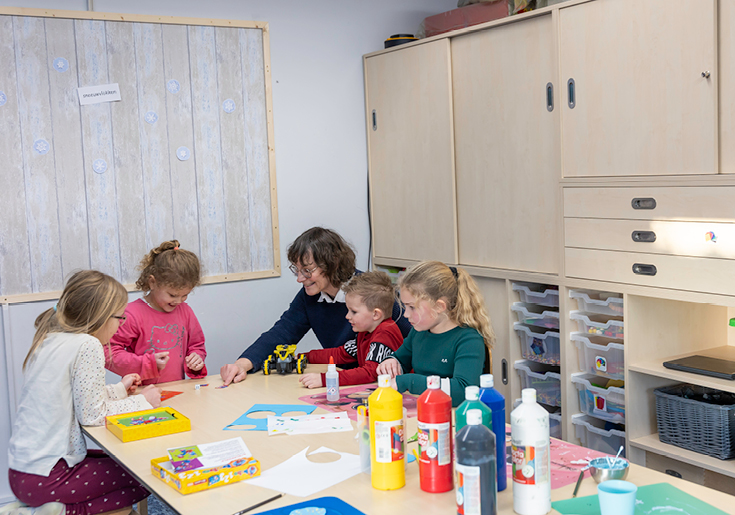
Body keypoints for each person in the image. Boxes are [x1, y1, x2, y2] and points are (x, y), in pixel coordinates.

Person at [5, 270, 161, 515]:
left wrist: (120, 390)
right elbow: (92, 415)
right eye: (120, 318)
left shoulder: (51, 338)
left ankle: (53, 508)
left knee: (123, 463)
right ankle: (60, 512)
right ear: (100, 316)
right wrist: (143, 401)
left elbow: (77, 397)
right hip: (50, 476)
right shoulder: (87, 344)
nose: (121, 325)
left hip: (22, 475)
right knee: (147, 473)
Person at [220, 227, 411, 385]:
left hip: (379, 384)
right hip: (344, 381)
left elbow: (415, 338)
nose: (299, 278)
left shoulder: (372, 294)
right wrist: (242, 364)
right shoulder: (309, 297)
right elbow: (282, 333)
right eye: (297, 270)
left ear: (332, 264)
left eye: (308, 270)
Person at [376, 261, 495, 407]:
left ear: (439, 306)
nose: (406, 314)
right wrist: (390, 363)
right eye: (405, 306)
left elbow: (463, 391)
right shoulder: (418, 332)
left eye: (412, 307)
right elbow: (400, 360)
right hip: (426, 410)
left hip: (456, 418)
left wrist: (409, 381)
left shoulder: (469, 340)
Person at [105, 240, 207, 384]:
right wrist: (147, 363)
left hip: (178, 391)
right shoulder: (131, 314)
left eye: (185, 295)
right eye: (172, 295)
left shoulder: (185, 311)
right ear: (152, 282)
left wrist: (196, 357)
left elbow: (196, 345)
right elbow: (109, 353)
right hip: (140, 393)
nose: (178, 301)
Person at [299, 271, 404, 388]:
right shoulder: (365, 332)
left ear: (375, 314)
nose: (347, 316)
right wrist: (305, 357)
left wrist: (326, 379)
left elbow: (369, 373)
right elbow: (341, 353)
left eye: (353, 312)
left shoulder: (385, 333)